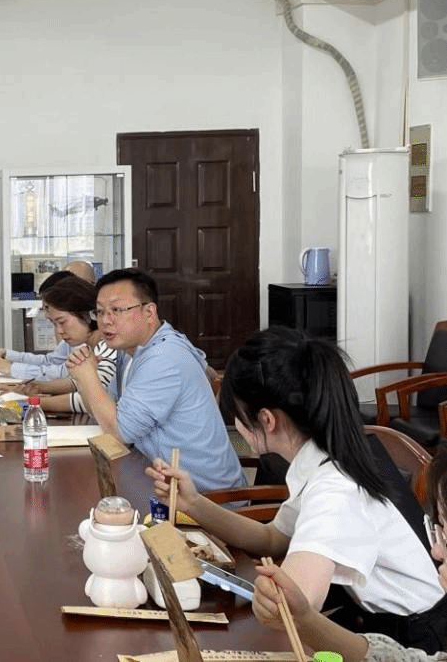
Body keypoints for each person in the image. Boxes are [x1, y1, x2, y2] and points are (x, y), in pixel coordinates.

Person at [151, 327, 445, 654]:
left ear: (266, 420)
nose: (237, 426)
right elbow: (272, 538)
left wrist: (273, 597)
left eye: (238, 416)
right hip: (379, 621)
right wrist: (193, 503)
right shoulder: (323, 455)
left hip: (416, 640)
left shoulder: (335, 490)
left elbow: (291, 608)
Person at [253, 449, 447, 661]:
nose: (436, 552)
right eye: (439, 528)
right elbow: (399, 658)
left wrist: (303, 618)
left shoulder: (337, 483)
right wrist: (303, 617)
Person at [70, 268, 245, 492]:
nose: (105, 321)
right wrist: (84, 378)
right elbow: (105, 410)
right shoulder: (130, 351)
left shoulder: (164, 358)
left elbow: (118, 434)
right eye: (100, 312)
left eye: (117, 310)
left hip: (206, 498)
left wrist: (87, 376)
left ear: (149, 312)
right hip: (160, 481)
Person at [0, 277, 116, 413]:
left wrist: (27, 402)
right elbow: (79, 383)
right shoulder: (93, 347)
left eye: (62, 322)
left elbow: (91, 400)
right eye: (54, 324)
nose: (59, 331)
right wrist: (36, 387)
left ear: (88, 315)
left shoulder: (110, 348)